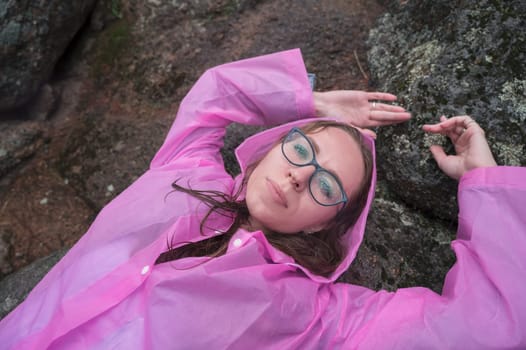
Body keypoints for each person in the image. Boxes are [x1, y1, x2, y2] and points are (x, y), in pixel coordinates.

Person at [0, 49, 525, 349]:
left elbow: (484, 328)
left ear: (327, 225)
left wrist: (483, 179)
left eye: (326, 185)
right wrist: (310, 100)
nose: (300, 176)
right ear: (269, 148)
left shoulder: (316, 316)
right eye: (300, 149)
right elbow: (214, 93)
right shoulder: (184, 169)